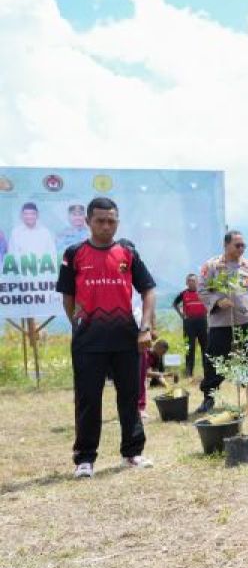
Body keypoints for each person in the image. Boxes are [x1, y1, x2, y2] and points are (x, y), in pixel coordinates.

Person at [55, 197, 156, 477]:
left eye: (111, 221)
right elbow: (68, 296)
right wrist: (78, 323)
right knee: (88, 399)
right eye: (100, 220)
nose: (105, 226)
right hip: (88, 341)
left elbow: (148, 289)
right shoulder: (73, 254)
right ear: (88, 222)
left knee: (130, 397)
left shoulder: (128, 253)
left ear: (117, 222)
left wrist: (145, 328)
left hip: (126, 339)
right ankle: (85, 459)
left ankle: (132, 453)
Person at [197, 230, 248, 412]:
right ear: (226, 245)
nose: (242, 248)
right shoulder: (212, 265)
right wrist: (218, 301)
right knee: (214, 360)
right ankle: (209, 399)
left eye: (244, 245)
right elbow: (201, 289)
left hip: (245, 320)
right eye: (238, 245)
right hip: (220, 323)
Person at [171, 274, 208, 378]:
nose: (192, 282)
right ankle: (188, 374)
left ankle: (207, 372)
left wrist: (208, 314)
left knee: (205, 347)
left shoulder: (203, 292)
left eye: (194, 280)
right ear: (186, 283)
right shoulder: (183, 293)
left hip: (202, 322)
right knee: (189, 348)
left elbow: (211, 303)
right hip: (189, 323)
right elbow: (174, 304)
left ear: (197, 282)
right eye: (189, 281)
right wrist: (182, 315)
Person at [138, 339, 175, 418]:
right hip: (136, 373)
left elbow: (156, 373)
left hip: (143, 375)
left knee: (147, 381)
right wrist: (166, 374)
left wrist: (167, 385)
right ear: (157, 346)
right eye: (163, 352)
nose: (162, 355)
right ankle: (139, 408)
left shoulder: (157, 357)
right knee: (146, 381)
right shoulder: (146, 353)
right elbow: (147, 373)